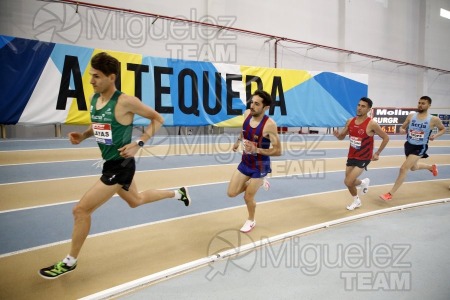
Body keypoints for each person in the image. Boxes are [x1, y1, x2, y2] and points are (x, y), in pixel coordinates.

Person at [39, 52, 191, 279]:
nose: (91, 81)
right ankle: (176, 193)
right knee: (136, 201)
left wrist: (138, 143)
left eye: (97, 77)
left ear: (111, 77)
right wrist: (83, 136)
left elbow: (158, 118)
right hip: (109, 163)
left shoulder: (125, 101)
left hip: (121, 165)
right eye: (91, 76)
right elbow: (99, 125)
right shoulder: (95, 99)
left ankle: (70, 262)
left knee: (81, 210)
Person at [227, 90, 282, 233]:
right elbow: (244, 130)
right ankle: (255, 184)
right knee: (231, 193)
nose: (252, 106)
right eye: (252, 102)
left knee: (248, 197)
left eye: (257, 104)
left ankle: (251, 220)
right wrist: (238, 141)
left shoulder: (270, 125)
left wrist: (257, 149)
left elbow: (278, 150)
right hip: (245, 162)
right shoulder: (247, 114)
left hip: (260, 166)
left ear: (265, 108)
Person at [379, 96, 445, 201]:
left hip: (420, 147)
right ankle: (431, 168)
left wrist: (435, 135)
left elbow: (442, 129)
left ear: (429, 105)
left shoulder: (433, 119)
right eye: (419, 102)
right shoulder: (411, 116)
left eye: (423, 103)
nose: (420, 105)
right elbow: (403, 126)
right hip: (409, 145)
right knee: (413, 168)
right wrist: (401, 129)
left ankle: (390, 194)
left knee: (403, 168)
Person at [334, 97, 389, 210]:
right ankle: (363, 184)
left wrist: (377, 153)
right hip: (352, 155)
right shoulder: (350, 121)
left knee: (348, 181)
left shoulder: (372, 124)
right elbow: (341, 137)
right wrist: (338, 135)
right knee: (350, 182)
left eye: (363, 106)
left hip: (364, 157)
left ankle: (356, 201)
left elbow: (386, 138)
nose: (359, 108)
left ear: (369, 109)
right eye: (358, 105)